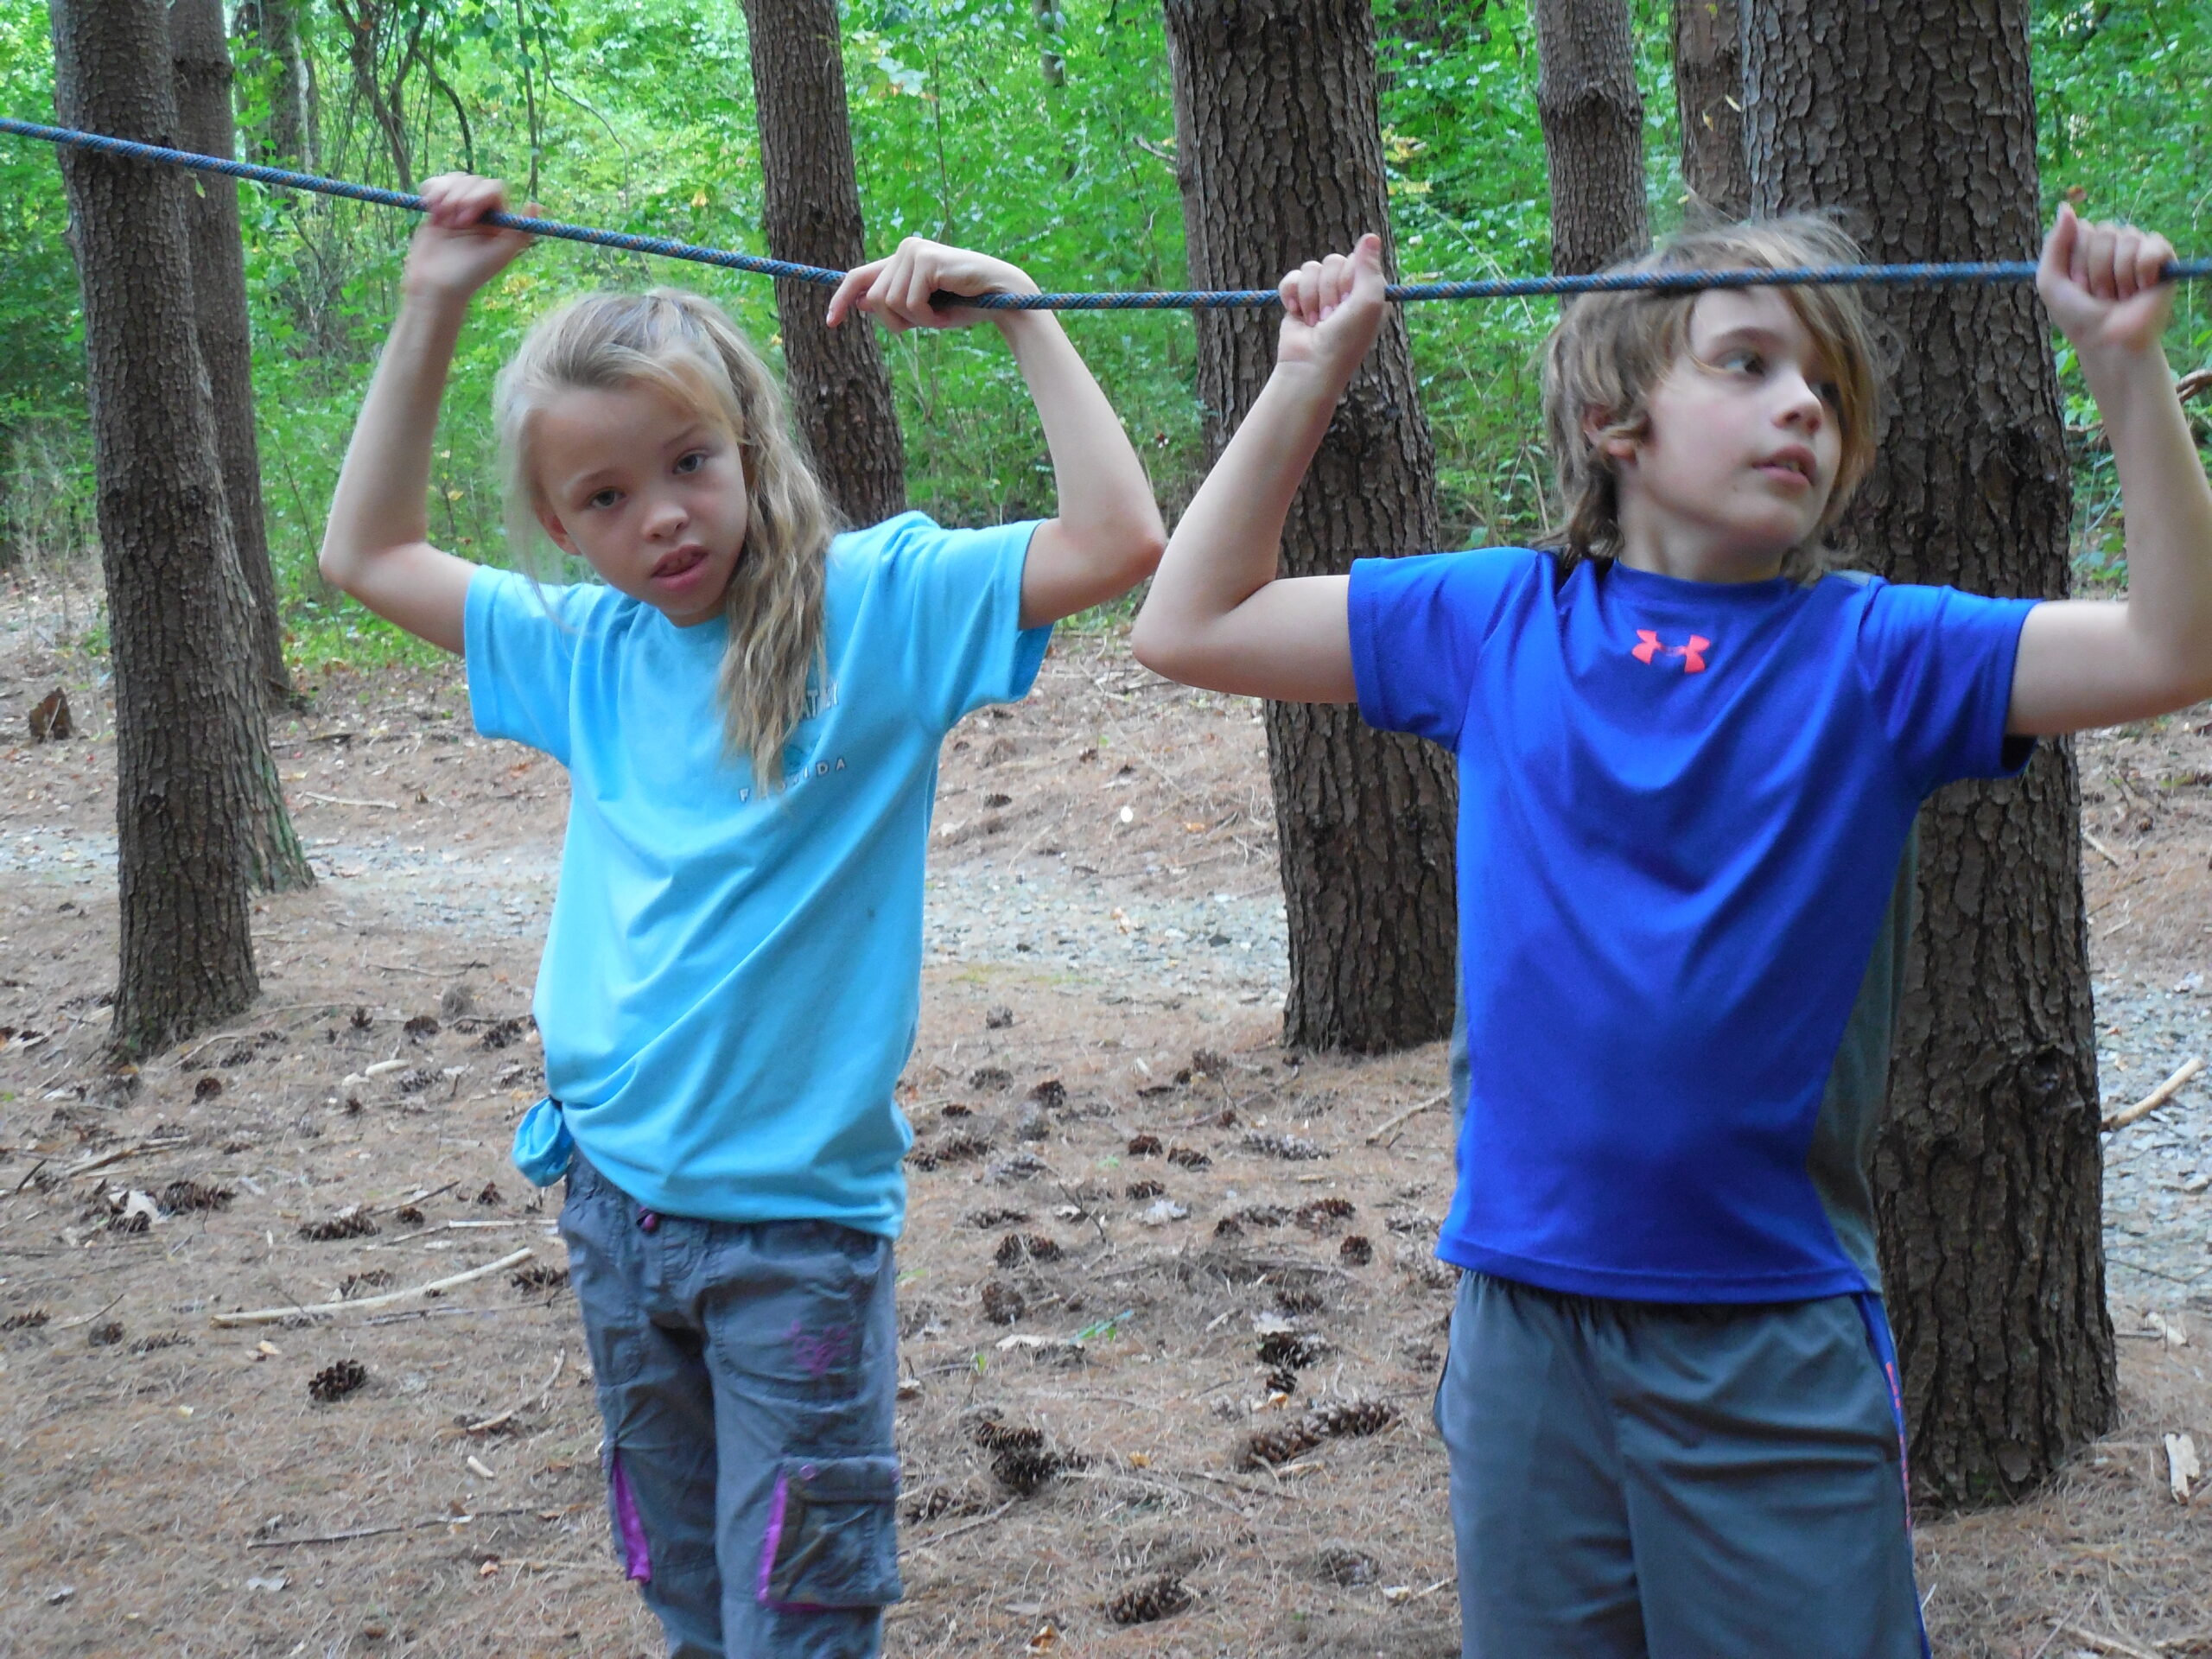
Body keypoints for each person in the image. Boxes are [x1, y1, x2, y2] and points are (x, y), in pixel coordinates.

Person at [1130, 205, 2212, 1658]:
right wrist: (1306, 375)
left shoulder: (1881, 654)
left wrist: (2125, 366)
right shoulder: (1497, 621)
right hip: (1524, 1328)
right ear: (1614, 420)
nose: (1802, 406)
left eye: (1825, 387)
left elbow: (2173, 648)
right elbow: (1188, 624)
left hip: (1769, 1332)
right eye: (1749, 364)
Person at [318, 174, 1165, 1659]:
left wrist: (1021, 315)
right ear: (560, 526)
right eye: (604, 498)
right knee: (689, 1598)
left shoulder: (879, 608)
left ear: (750, 447)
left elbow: (1118, 541)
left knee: (799, 1612)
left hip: (794, 1241)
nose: (660, 516)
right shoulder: (584, 651)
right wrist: (431, 299)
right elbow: (365, 556)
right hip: (613, 1208)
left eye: (690, 462)